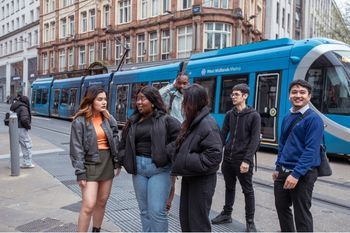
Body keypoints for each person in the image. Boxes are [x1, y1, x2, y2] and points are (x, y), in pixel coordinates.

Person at [117, 86, 180, 232]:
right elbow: (123, 142)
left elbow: (179, 140)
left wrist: (165, 153)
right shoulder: (133, 121)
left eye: (142, 99)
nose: (139, 102)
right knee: (144, 210)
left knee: (157, 211)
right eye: (137, 99)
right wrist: (120, 161)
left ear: (153, 101)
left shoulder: (167, 120)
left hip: (159, 170)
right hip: (138, 170)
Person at [170, 84, 223, 232]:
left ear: (193, 103)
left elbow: (214, 157)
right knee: (187, 220)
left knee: (198, 224)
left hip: (202, 180)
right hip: (191, 176)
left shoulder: (207, 124)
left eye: (185, 101)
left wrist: (184, 159)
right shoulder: (194, 122)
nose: (183, 105)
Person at [273, 80, 324, 232]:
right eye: (294, 92)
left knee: (301, 213)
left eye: (302, 92)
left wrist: (295, 174)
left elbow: (311, 150)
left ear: (309, 97)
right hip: (283, 170)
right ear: (289, 96)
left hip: (303, 173)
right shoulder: (287, 116)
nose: (298, 95)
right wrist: (277, 167)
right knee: (282, 208)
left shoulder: (314, 119)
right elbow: (282, 143)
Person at [69, 86, 121, 232]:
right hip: (90, 164)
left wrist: (117, 163)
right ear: (91, 101)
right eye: (100, 99)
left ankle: (96, 230)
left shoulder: (108, 118)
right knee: (89, 204)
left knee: (102, 201)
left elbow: (115, 139)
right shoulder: (79, 121)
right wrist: (80, 172)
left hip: (107, 163)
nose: (104, 102)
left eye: (105, 99)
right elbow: (76, 148)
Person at [211, 83, 261, 232]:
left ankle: (250, 222)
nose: (233, 97)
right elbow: (223, 135)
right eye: (232, 94)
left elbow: (254, 140)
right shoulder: (229, 114)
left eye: (236, 94)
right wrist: (217, 153)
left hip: (242, 160)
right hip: (228, 159)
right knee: (229, 187)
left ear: (245, 96)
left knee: (248, 190)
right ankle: (227, 214)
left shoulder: (254, 116)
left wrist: (247, 160)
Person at [159, 73, 189, 211]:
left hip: (182, 137)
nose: (182, 86)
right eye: (180, 83)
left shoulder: (189, 98)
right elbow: (158, 96)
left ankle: (168, 202)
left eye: (185, 83)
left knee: (173, 173)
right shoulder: (170, 95)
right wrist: (172, 85)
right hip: (168, 136)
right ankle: (165, 201)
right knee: (167, 172)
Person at [10, 94, 34, 168]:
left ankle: (12, 163)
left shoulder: (15, 106)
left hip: (14, 128)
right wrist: (28, 126)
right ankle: (27, 163)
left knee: (14, 146)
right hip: (21, 129)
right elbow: (24, 119)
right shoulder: (23, 108)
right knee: (27, 145)